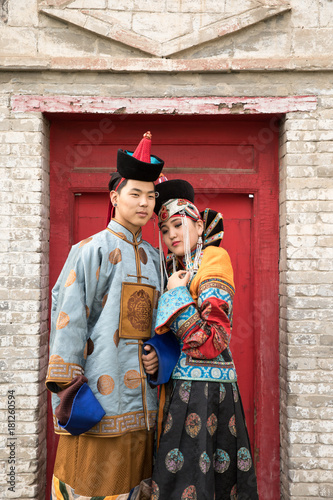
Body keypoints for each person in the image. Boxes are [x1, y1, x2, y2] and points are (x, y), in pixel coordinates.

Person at [46, 132, 164, 499]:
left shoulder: (156, 258)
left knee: (138, 484)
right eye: (136, 194)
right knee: (89, 483)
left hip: (144, 397)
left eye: (151, 195)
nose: (145, 203)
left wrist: (160, 357)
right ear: (114, 197)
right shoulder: (89, 250)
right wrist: (69, 390)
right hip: (99, 391)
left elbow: (160, 323)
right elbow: (68, 320)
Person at [143, 179, 259, 500]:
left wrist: (177, 294)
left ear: (197, 223)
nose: (171, 236)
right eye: (165, 229)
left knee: (195, 483)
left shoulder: (213, 259)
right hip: (175, 387)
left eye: (178, 225)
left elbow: (214, 339)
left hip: (207, 393)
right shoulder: (173, 267)